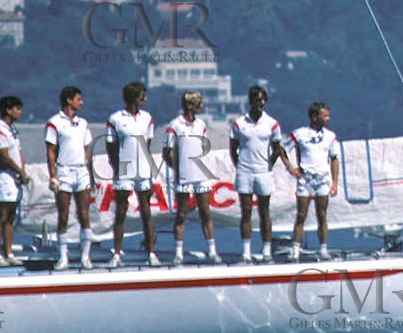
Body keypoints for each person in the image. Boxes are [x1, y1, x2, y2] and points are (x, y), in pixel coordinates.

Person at [230, 84, 288, 262]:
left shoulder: (272, 124)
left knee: (265, 211)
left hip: (263, 172)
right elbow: (233, 149)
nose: (259, 103)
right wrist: (239, 165)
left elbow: (278, 148)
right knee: (246, 211)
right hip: (245, 171)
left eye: (262, 100)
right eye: (256, 100)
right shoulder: (239, 123)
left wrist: (270, 163)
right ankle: (246, 252)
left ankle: (266, 251)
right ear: (251, 101)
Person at [107, 82, 159, 267]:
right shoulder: (115, 119)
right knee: (121, 211)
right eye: (141, 96)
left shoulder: (147, 118)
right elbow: (111, 147)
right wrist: (117, 168)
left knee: (146, 211)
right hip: (124, 170)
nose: (144, 99)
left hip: (143, 170)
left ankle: (152, 253)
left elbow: (148, 144)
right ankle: (117, 254)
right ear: (132, 97)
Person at [46, 85, 97, 270]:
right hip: (64, 172)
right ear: (69, 100)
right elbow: (50, 151)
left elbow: (87, 150)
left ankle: (85, 257)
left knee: (84, 215)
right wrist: (53, 176)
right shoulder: (54, 122)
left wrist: (91, 177)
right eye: (78, 99)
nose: (81, 102)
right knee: (64, 215)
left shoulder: (83, 123)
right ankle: (63, 258)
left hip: (81, 171)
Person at [165, 90, 219, 264]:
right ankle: (178, 253)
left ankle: (212, 251)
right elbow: (167, 153)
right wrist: (178, 168)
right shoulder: (175, 125)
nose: (200, 107)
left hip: (200, 176)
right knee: (181, 214)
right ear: (189, 105)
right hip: (183, 177)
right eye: (198, 104)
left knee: (205, 212)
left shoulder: (201, 124)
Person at [289, 101, 341, 260]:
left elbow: (334, 159)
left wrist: (334, 182)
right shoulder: (299, 134)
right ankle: (295, 249)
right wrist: (290, 168)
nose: (327, 119)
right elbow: (283, 149)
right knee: (301, 214)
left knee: (322, 214)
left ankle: (323, 248)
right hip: (305, 179)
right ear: (314, 116)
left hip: (322, 180)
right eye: (324, 116)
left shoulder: (330, 137)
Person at [0, 95, 25, 267]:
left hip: (15, 179)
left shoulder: (12, 130)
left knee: (11, 216)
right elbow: (3, 157)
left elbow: (18, 154)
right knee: (1, 216)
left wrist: (22, 173)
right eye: (17, 108)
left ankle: (9, 252)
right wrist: (19, 172)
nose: (20, 112)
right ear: (8, 110)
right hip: (3, 178)